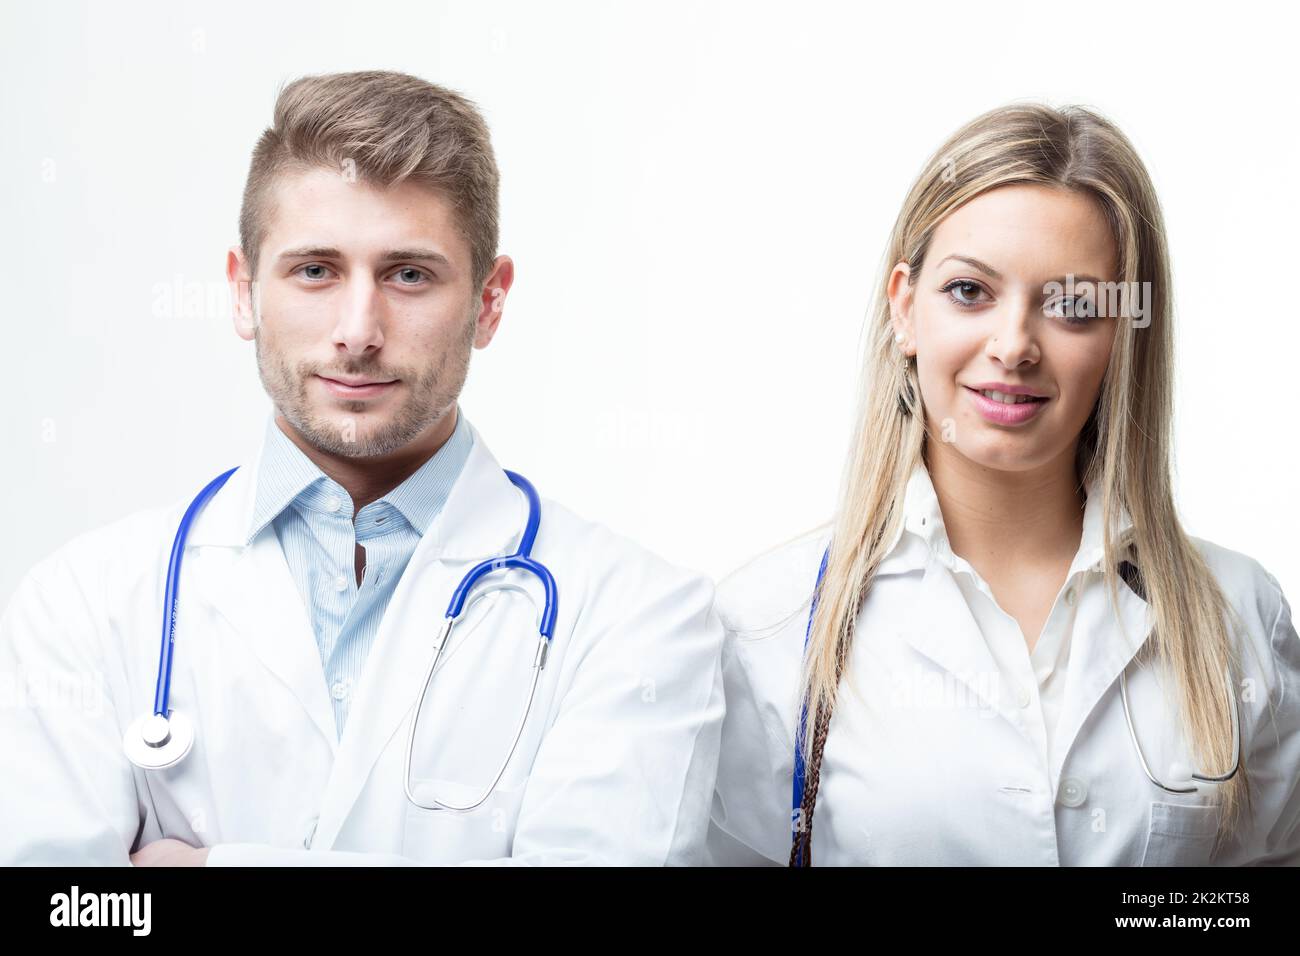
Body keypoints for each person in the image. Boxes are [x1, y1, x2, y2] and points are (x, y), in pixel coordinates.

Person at [0, 70, 724, 866]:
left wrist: (214, 867)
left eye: (408, 274)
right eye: (315, 270)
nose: (358, 331)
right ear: (244, 293)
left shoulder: (640, 616)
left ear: (488, 301)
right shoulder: (83, 605)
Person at [707, 103, 1299, 866]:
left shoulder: (1237, 616)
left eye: (1073, 307)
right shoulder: (767, 627)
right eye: (970, 292)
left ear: (1125, 337)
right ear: (904, 308)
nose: (1014, 345)